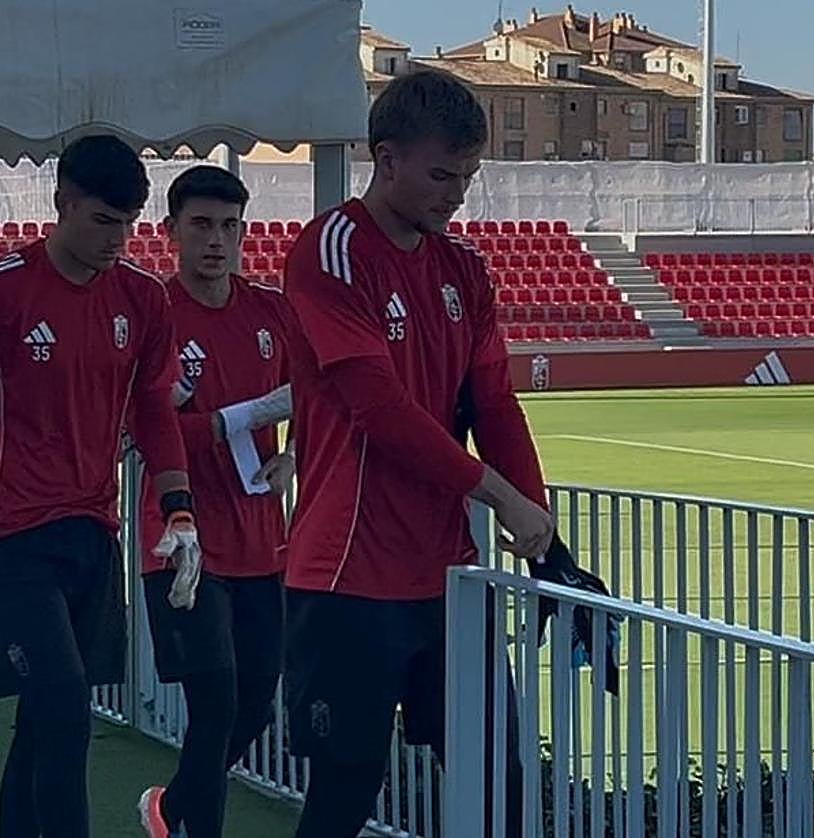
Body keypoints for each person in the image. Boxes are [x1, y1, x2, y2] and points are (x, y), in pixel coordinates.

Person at [280, 69, 555, 837]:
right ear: (386, 157)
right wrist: (500, 495)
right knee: (345, 790)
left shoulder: (464, 268)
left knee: (500, 781)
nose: (456, 193)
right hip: (348, 575)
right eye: (441, 174)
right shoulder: (330, 249)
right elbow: (379, 411)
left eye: (467, 176)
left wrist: (540, 523)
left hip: (448, 580)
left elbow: (495, 401)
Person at [0, 135, 201, 838]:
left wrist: (180, 510)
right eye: (103, 219)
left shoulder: (142, 301)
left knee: (43, 721)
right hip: (9, 544)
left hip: (93, 538)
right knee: (66, 706)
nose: (117, 238)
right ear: (62, 203)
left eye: (129, 222)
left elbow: (155, 408)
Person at [134, 165, 296, 838]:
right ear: (170, 232)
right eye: (200, 225)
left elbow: (320, 398)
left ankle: (168, 809)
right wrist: (240, 416)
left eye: (229, 227)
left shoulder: (270, 312)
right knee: (217, 701)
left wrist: (297, 454)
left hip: (263, 540)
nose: (216, 241)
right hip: (182, 540)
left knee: (256, 704)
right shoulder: (154, 316)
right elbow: (148, 427)